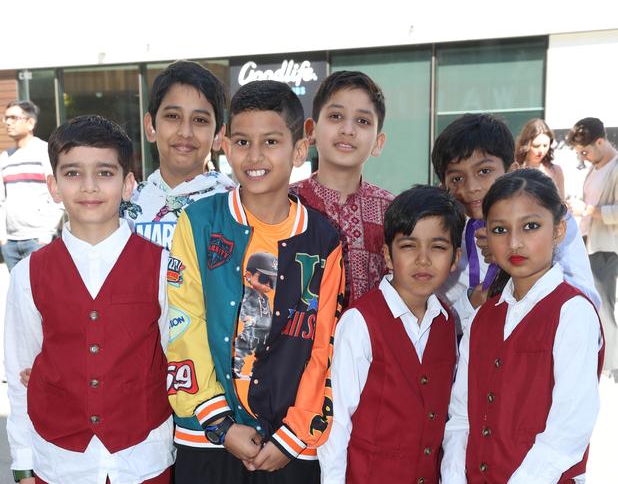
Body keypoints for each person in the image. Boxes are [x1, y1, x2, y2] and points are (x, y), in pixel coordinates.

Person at [167, 80, 345, 484]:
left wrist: (294, 435)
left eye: (271, 141)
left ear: (300, 149)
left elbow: (325, 347)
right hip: (206, 436)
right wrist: (218, 421)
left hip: (290, 443)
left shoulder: (324, 240)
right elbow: (183, 325)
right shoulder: (198, 223)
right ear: (225, 146)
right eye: (243, 142)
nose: (255, 156)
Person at [4, 115, 175, 484]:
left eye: (105, 173)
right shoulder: (28, 274)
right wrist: (22, 460)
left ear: (129, 183)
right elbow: (20, 371)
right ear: (53, 186)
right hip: (60, 462)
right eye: (72, 173)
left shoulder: (162, 266)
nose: (89, 186)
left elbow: (175, 357)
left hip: (143, 457)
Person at [441, 168, 603, 483]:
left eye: (531, 226)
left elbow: (569, 427)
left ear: (558, 230)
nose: (515, 243)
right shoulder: (484, 317)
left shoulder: (572, 312)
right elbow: (461, 417)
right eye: (500, 230)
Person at [318, 185, 465, 484]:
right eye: (409, 246)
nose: (423, 260)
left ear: (454, 259)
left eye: (437, 247)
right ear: (387, 255)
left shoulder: (447, 323)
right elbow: (337, 423)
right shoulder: (360, 322)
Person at [431, 113, 599, 332]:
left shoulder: (550, 222)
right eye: (456, 179)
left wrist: (510, 259)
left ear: (512, 171)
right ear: (444, 185)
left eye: (484, 171)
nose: (471, 187)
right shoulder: (446, 233)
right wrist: (473, 301)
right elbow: (436, 316)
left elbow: (586, 301)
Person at [290, 70, 392, 307]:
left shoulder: (392, 211)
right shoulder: (287, 203)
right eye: (336, 116)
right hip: (301, 342)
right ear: (311, 131)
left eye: (363, 121)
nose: (348, 129)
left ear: (378, 143)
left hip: (372, 342)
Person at [120, 60, 235, 250]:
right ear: (150, 126)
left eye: (200, 120)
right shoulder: (126, 207)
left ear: (218, 136)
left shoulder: (235, 207)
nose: (185, 132)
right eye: (173, 116)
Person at [566, 117, 618, 380]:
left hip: (608, 247)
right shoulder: (595, 168)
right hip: (590, 243)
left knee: (604, 306)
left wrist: (588, 210)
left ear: (600, 141)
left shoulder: (616, 167)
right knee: (597, 304)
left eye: (585, 151)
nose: (583, 157)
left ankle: (611, 368)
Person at [0, 100, 64, 271]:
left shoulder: (44, 151)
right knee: (18, 296)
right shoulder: (5, 157)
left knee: (42, 296)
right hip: (10, 243)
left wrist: (44, 236)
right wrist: (3, 237)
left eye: (13, 117)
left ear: (30, 122)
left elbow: (58, 195)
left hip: (36, 241)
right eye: (5, 118)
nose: (8, 122)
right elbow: (2, 200)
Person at [514, 118, 565, 199]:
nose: (541, 151)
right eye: (536, 146)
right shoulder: (514, 169)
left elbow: (562, 203)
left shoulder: (556, 171)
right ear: (526, 145)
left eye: (545, 145)